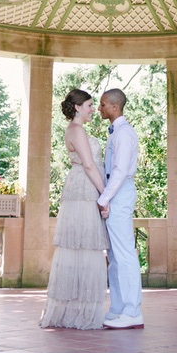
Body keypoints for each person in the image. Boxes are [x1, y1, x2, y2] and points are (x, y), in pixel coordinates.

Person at [39, 89, 109, 330]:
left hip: (81, 187)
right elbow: (89, 165)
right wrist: (104, 196)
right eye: (90, 105)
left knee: (82, 246)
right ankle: (82, 312)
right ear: (78, 107)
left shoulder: (76, 129)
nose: (93, 110)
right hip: (85, 189)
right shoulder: (77, 130)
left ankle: (78, 308)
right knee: (85, 246)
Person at [98, 88, 143, 329]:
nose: (99, 109)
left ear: (115, 107)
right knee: (114, 256)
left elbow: (120, 170)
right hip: (115, 193)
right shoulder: (116, 132)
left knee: (125, 254)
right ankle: (118, 308)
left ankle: (133, 311)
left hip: (120, 192)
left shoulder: (124, 133)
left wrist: (104, 198)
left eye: (103, 105)